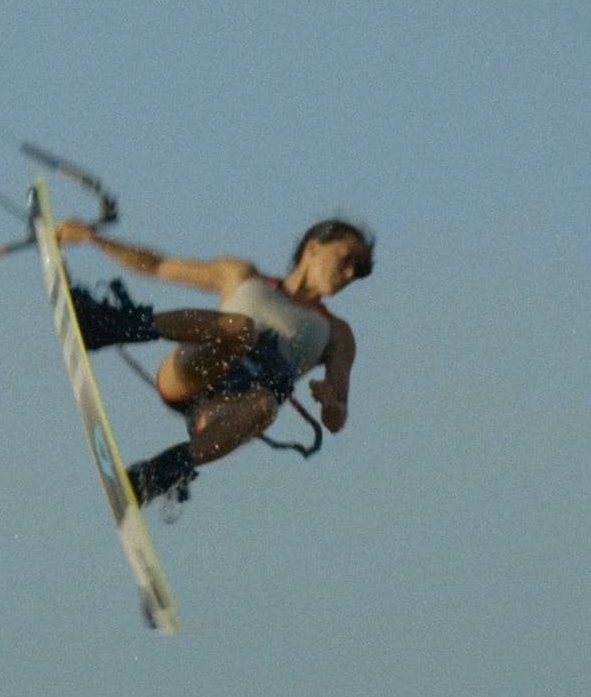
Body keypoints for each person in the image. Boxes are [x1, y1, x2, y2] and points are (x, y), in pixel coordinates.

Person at [55, 216, 374, 506]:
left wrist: (333, 404)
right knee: (241, 329)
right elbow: (158, 265)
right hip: (190, 373)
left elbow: (337, 419)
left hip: (222, 411)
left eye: (357, 272)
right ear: (314, 248)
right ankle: (107, 326)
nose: (349, 275)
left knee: (266, 405)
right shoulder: (241, 276)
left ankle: (156, 475)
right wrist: (95, 239)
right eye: (347, 261)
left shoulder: (336, 334)